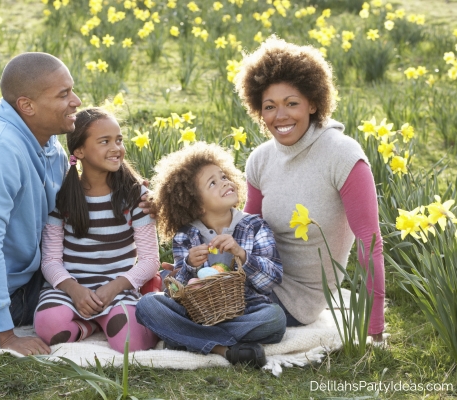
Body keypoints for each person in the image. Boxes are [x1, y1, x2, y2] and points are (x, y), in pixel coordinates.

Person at [234, 36, 385, 341]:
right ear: (258, 111)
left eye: (292, 103)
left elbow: (370, 242)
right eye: (270, 107)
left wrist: (375, 328)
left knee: (215, 316)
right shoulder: (261, 159)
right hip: (256, 280)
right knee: (179, 300)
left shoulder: (343, 155)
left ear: (313, 103)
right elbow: (246, 232)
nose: (281, 116)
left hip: (297, 302)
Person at [136, 142, 286, 368]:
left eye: (224, 176)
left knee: (275, 319)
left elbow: (272, 279)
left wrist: (241, 254)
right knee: (147, 305)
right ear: (196, 204)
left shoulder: (255, 226)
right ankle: (224, 349)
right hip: (197, 314)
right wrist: (188, 266)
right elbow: (178, 293)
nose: (225, 182)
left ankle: (187, 338)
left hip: (247, 310)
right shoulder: (185, 236)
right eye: (213, 183)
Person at [33, 107, 159, 353]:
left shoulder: (136, 197)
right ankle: (88, 327)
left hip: (118, 289)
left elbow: (150, 261)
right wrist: (75, 290)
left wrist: (113, 288)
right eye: (104, 141)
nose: (116, 148)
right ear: (79, 151)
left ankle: (106, 322)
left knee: (132, 344)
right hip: (71, 290)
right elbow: (50, 260)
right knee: (48, 327)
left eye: (119, 140)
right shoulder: (61, 198)